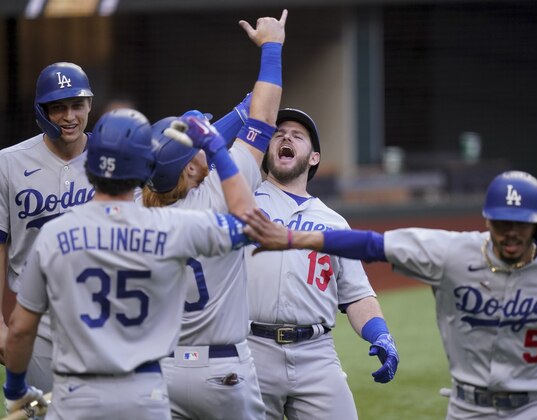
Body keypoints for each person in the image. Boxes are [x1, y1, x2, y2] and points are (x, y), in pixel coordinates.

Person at [243, 170, 537, 420]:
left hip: (536, 408)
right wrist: (293, 239)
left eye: (521, 225)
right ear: (487, 220)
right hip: (467, 407)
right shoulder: (454, 253)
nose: (511, 233)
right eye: (502, 223)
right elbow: (372, 244)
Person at [2, 107, 257, 419]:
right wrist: (216, 146)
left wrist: (15, 389)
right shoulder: (168, 226)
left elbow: (21, 330)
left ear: (90, 166)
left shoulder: (54, 235)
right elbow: (249, 223)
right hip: (145, 393)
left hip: (76, 395)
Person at [141, 10, 288, 420]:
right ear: (190, 167)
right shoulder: (223, 191)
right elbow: (263, 120)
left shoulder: (138, 205)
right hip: (222, 371)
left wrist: (199, 138)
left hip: (160, 370)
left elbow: (172, 158)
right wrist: (272, 47)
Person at [243, 108, 399, 420]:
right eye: (278, 133)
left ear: (314, 157)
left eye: (297, 135)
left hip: (316, 353)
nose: (286, 136)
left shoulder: (334, 222)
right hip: (251, 349)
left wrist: (380, 333)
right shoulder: (244, 201)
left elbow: (355, 294)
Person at [0, 62, 95, 392]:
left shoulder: (112, 160)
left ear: (89, 106)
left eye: (77, 105)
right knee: (44, 411)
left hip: (99, 310)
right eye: (58, 107)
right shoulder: (8, 162)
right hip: (35, 316)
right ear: (42, 111)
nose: (69, 116)